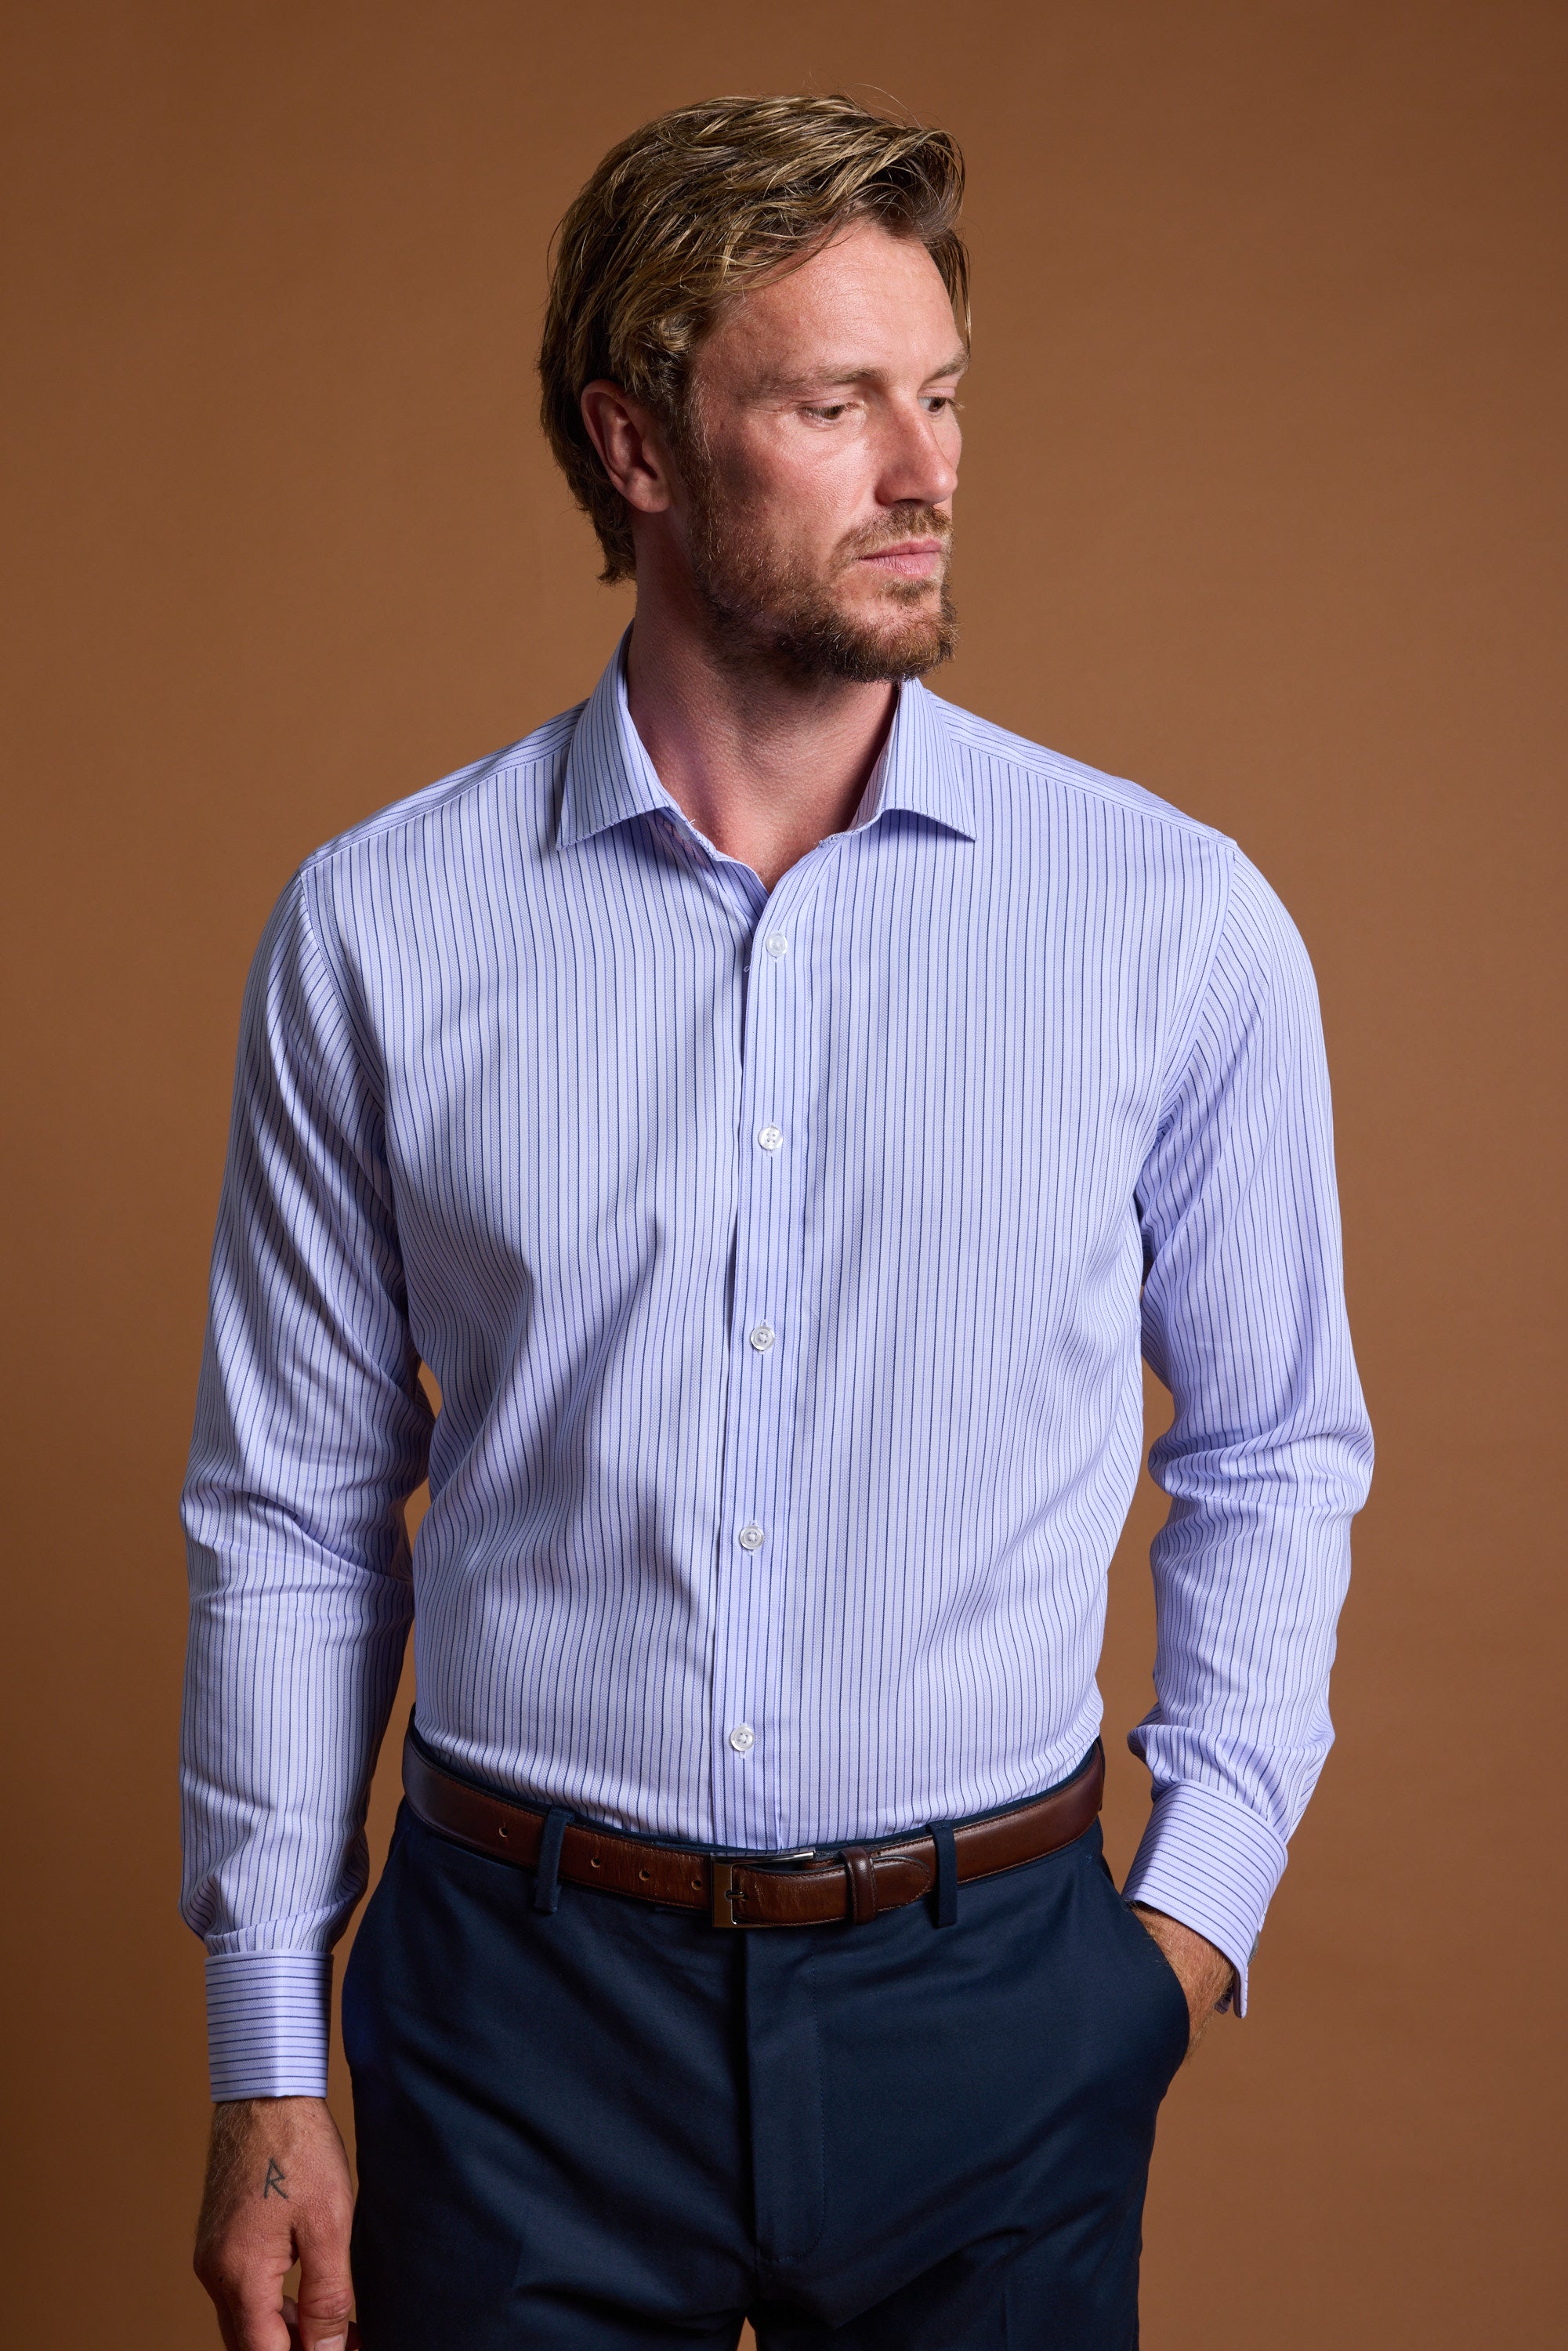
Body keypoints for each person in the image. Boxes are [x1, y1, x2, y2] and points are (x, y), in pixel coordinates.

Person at [183, 93, 1373, 2351]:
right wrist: (265, 2051)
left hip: (1000, 2010)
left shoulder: (1166, 920)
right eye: (833, 407)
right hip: (514, 2023)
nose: (925, 471)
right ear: (636, 448)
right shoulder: (380, 929)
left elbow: (1273, 1446)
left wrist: (1180, 1931)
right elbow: (292, 1507)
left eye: (938, 396)